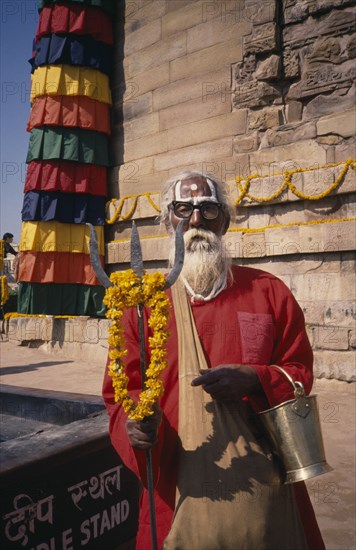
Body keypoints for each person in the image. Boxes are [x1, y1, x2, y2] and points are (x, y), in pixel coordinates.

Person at [103, 171, 326, 550]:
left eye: (207, 209)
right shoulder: (141, 306)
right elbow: (121, 393)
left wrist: (257, 379)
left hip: (264, 484)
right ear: (166, 221)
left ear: (223, 220)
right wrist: (136, 425)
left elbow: (299, 373)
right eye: (182, 209)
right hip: (175, 483)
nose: (195, 220)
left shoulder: (268, 291)